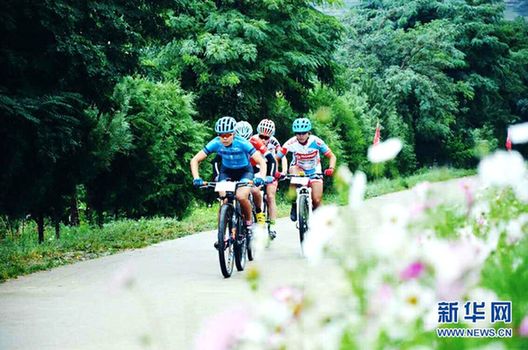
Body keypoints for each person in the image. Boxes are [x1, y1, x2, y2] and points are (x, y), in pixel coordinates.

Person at [190, 116, 268, 241]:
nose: (225, 138)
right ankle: (222, 235)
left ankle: (248, 224)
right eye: (221, 135)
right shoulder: (215, 143)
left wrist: (262, 178)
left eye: (228, 134)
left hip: (244, 171)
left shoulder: (242, 143)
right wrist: (196, 178)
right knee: (224, 199)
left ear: (234, 134)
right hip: (226, 172)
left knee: (241, 196)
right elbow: (195, 160)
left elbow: (261, 161)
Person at [276, 117, 336, 221]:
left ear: (309, 133)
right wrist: (276, 171)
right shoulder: (290, 143)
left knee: (317, 200)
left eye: (304, 133)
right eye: (298, 133)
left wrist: (331, 168)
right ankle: (294, 204)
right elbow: (276, 158)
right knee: (295, 176)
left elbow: (332, 156)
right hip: (298, 168)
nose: (301, 136)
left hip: (314, 169)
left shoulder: (317, 142)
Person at [233, 121, 275, 227]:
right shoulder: (229, 142)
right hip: (236, 170)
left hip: (253, 169)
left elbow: (271, 159)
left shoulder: (256, 141)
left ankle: (259, 211)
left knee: (255, 190)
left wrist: (269, 175)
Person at [255, 119, 288, 237]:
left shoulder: (274, 142)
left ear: (271, 136)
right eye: (261, 136)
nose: (263, 139)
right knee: (255, 192)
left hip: (271, 170)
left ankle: (272, 226)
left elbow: (282, 157)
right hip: (258, 169)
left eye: (266, 137)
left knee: (270, 195)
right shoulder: (253, 140)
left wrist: (284, 171)